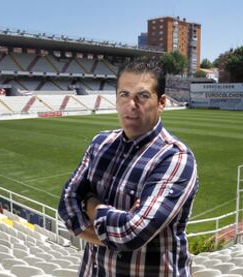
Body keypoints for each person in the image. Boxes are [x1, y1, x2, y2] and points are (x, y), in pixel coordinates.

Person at [58, 61, 198, 277]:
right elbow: (67, 202)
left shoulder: (175, 158)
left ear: (161, 102)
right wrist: (114, 236)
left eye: (142, 96)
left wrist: (90, 204)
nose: (131, 105)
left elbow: (132, 233)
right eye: (124, 94)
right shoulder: (100, 144)